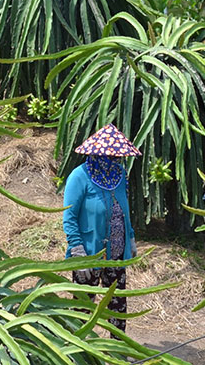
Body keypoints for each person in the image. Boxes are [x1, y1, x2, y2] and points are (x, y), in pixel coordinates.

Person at [63, 124, 139, 331]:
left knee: (117, 305)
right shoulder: (79, 177)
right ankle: (80, 353)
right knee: (83, 307)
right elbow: (69, 216)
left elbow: (124, 210)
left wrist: (130, 238)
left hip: (116, 253)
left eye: (117, 157)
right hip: (88, 253)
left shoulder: (120, 175)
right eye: (111, 157)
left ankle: (118, 351)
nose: (115, 161)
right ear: (97, 155)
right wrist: (78, 250)